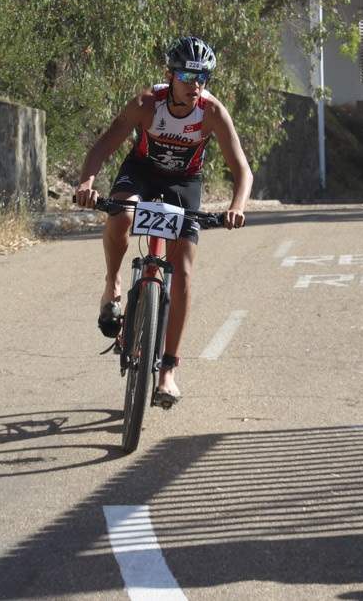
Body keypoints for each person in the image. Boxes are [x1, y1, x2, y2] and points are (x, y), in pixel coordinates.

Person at [74, 36, 253, 407]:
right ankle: (113, 283)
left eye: (203, 76)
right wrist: (86, 183)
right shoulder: (146, 104)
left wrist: (237, 206)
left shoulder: (212, 112)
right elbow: (103, 147)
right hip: (141, 171)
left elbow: (242, 170)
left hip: (184, 182)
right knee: (121, 214)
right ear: (170, 74)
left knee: (183, 271)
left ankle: (168, 371)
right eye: (188, 75)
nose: (196, 83)